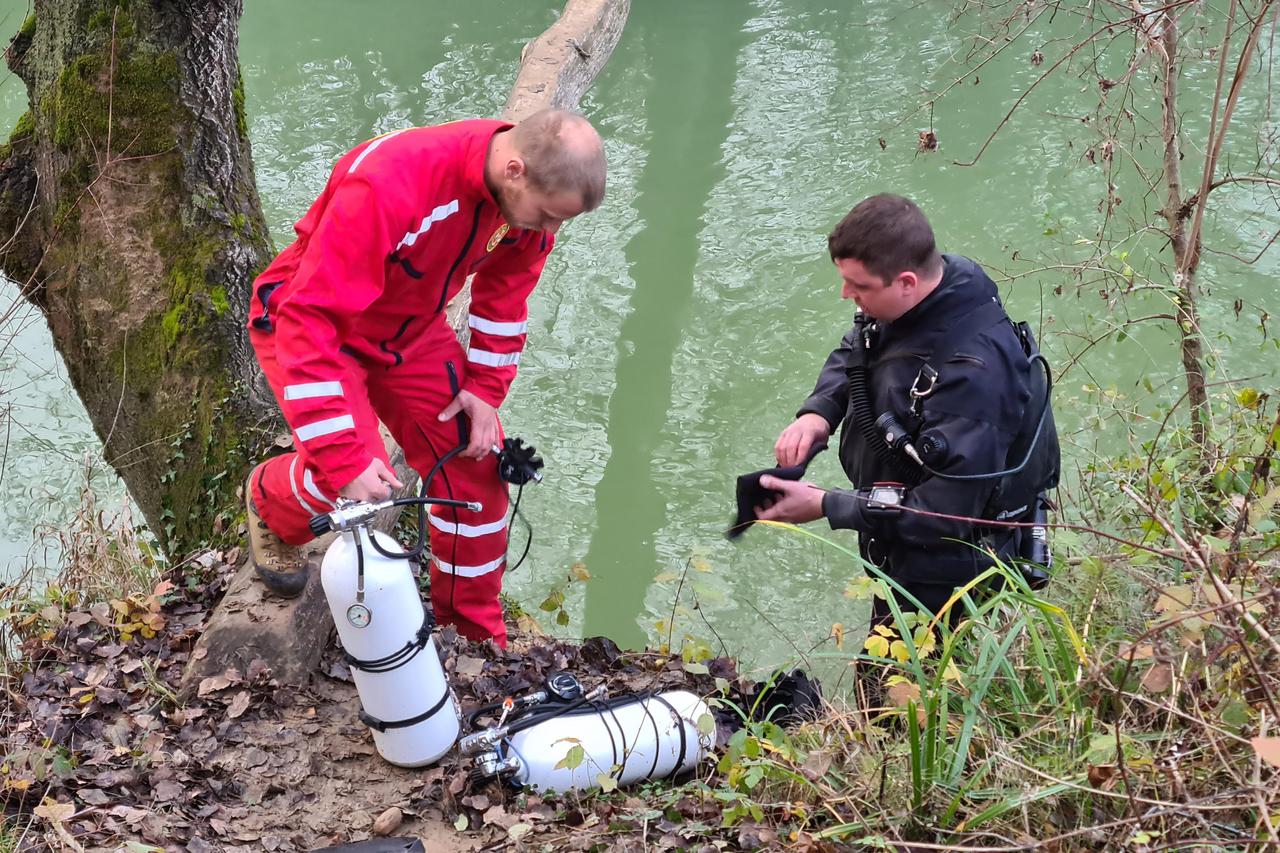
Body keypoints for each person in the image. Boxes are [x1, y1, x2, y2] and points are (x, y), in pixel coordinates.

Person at [244, 109, 607, 647]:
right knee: (355, 479)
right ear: (513, 171)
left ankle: (471, 638)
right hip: (315, 324)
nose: (549, 232)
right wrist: (343, 458)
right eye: (548, 216)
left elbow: (505, 299)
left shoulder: (523, 209)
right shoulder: (392, 181)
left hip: (408, 332)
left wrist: (485, 390)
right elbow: (310, 318)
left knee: (478, 470)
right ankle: (270, 499)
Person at [755, 194, 1058, 634]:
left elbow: (944, 514)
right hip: (893, 527)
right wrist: (818, 413)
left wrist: (825, 504)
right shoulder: (926, 296)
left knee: (894, 687)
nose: (846, 295)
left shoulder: (975, 378)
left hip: (946, 567)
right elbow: (857, 348)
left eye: (858, 286)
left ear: (907, 281)